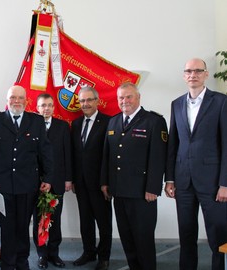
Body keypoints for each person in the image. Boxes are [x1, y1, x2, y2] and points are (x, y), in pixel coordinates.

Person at [0, 85, 53, 270]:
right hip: (1, 187)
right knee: (7, 228)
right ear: (7, 100)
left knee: (22, 227)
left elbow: (45, 151)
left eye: (20, 98)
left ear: (26, 100)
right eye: (13, 97)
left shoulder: (36, 121)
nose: (17, 101)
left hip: (28, 186)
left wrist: (48, 177)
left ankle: (22, 263)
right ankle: (7, 264)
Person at [165, 58, 227, 270]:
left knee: (218, 236)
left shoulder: (221, 101)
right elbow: (173, 144)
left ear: (206, 74)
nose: (193, 74)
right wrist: (170, 178)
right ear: (184, 76)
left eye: (198, 71)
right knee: (186, 234)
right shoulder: (176, 104)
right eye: (189, 71)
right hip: (183, 182)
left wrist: (225, 183)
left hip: (213, 183)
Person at [100, 82, 168, 270]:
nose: (125, 101)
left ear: (138, 97)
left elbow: (158, 157)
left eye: (129, 96)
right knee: (127, 238)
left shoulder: (153, 121)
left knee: (143, 239)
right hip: (119, 191)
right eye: (121, 97)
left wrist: (153, 188)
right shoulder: (113, 121)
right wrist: (105, 182)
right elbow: (108, 155)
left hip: (142, 193)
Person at [71, 86, 112, 270]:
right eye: (82, 101)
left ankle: (104, 257)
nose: (85, 104)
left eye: (89, 100)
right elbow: (74, 154)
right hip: (80, 183)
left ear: (97, 101)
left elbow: (109, 156)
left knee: (103, 222)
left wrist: (106, 182)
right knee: (85, 220)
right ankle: (88, 252)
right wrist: (71, 179)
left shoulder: (109, 122)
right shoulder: (76, 124)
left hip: (100, 183)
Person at [32, 93, 72, 269]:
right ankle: (41, 254)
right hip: (35, 183)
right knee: (39, 220)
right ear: (37, 108)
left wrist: (68, 179)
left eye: (49, 105)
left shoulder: (63, 127)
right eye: (42, 105)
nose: (46, 108)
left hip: (57, 181)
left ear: (54, 108)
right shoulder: (30, 125)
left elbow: (68, 155)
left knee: (55, 221)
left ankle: (54, 254)